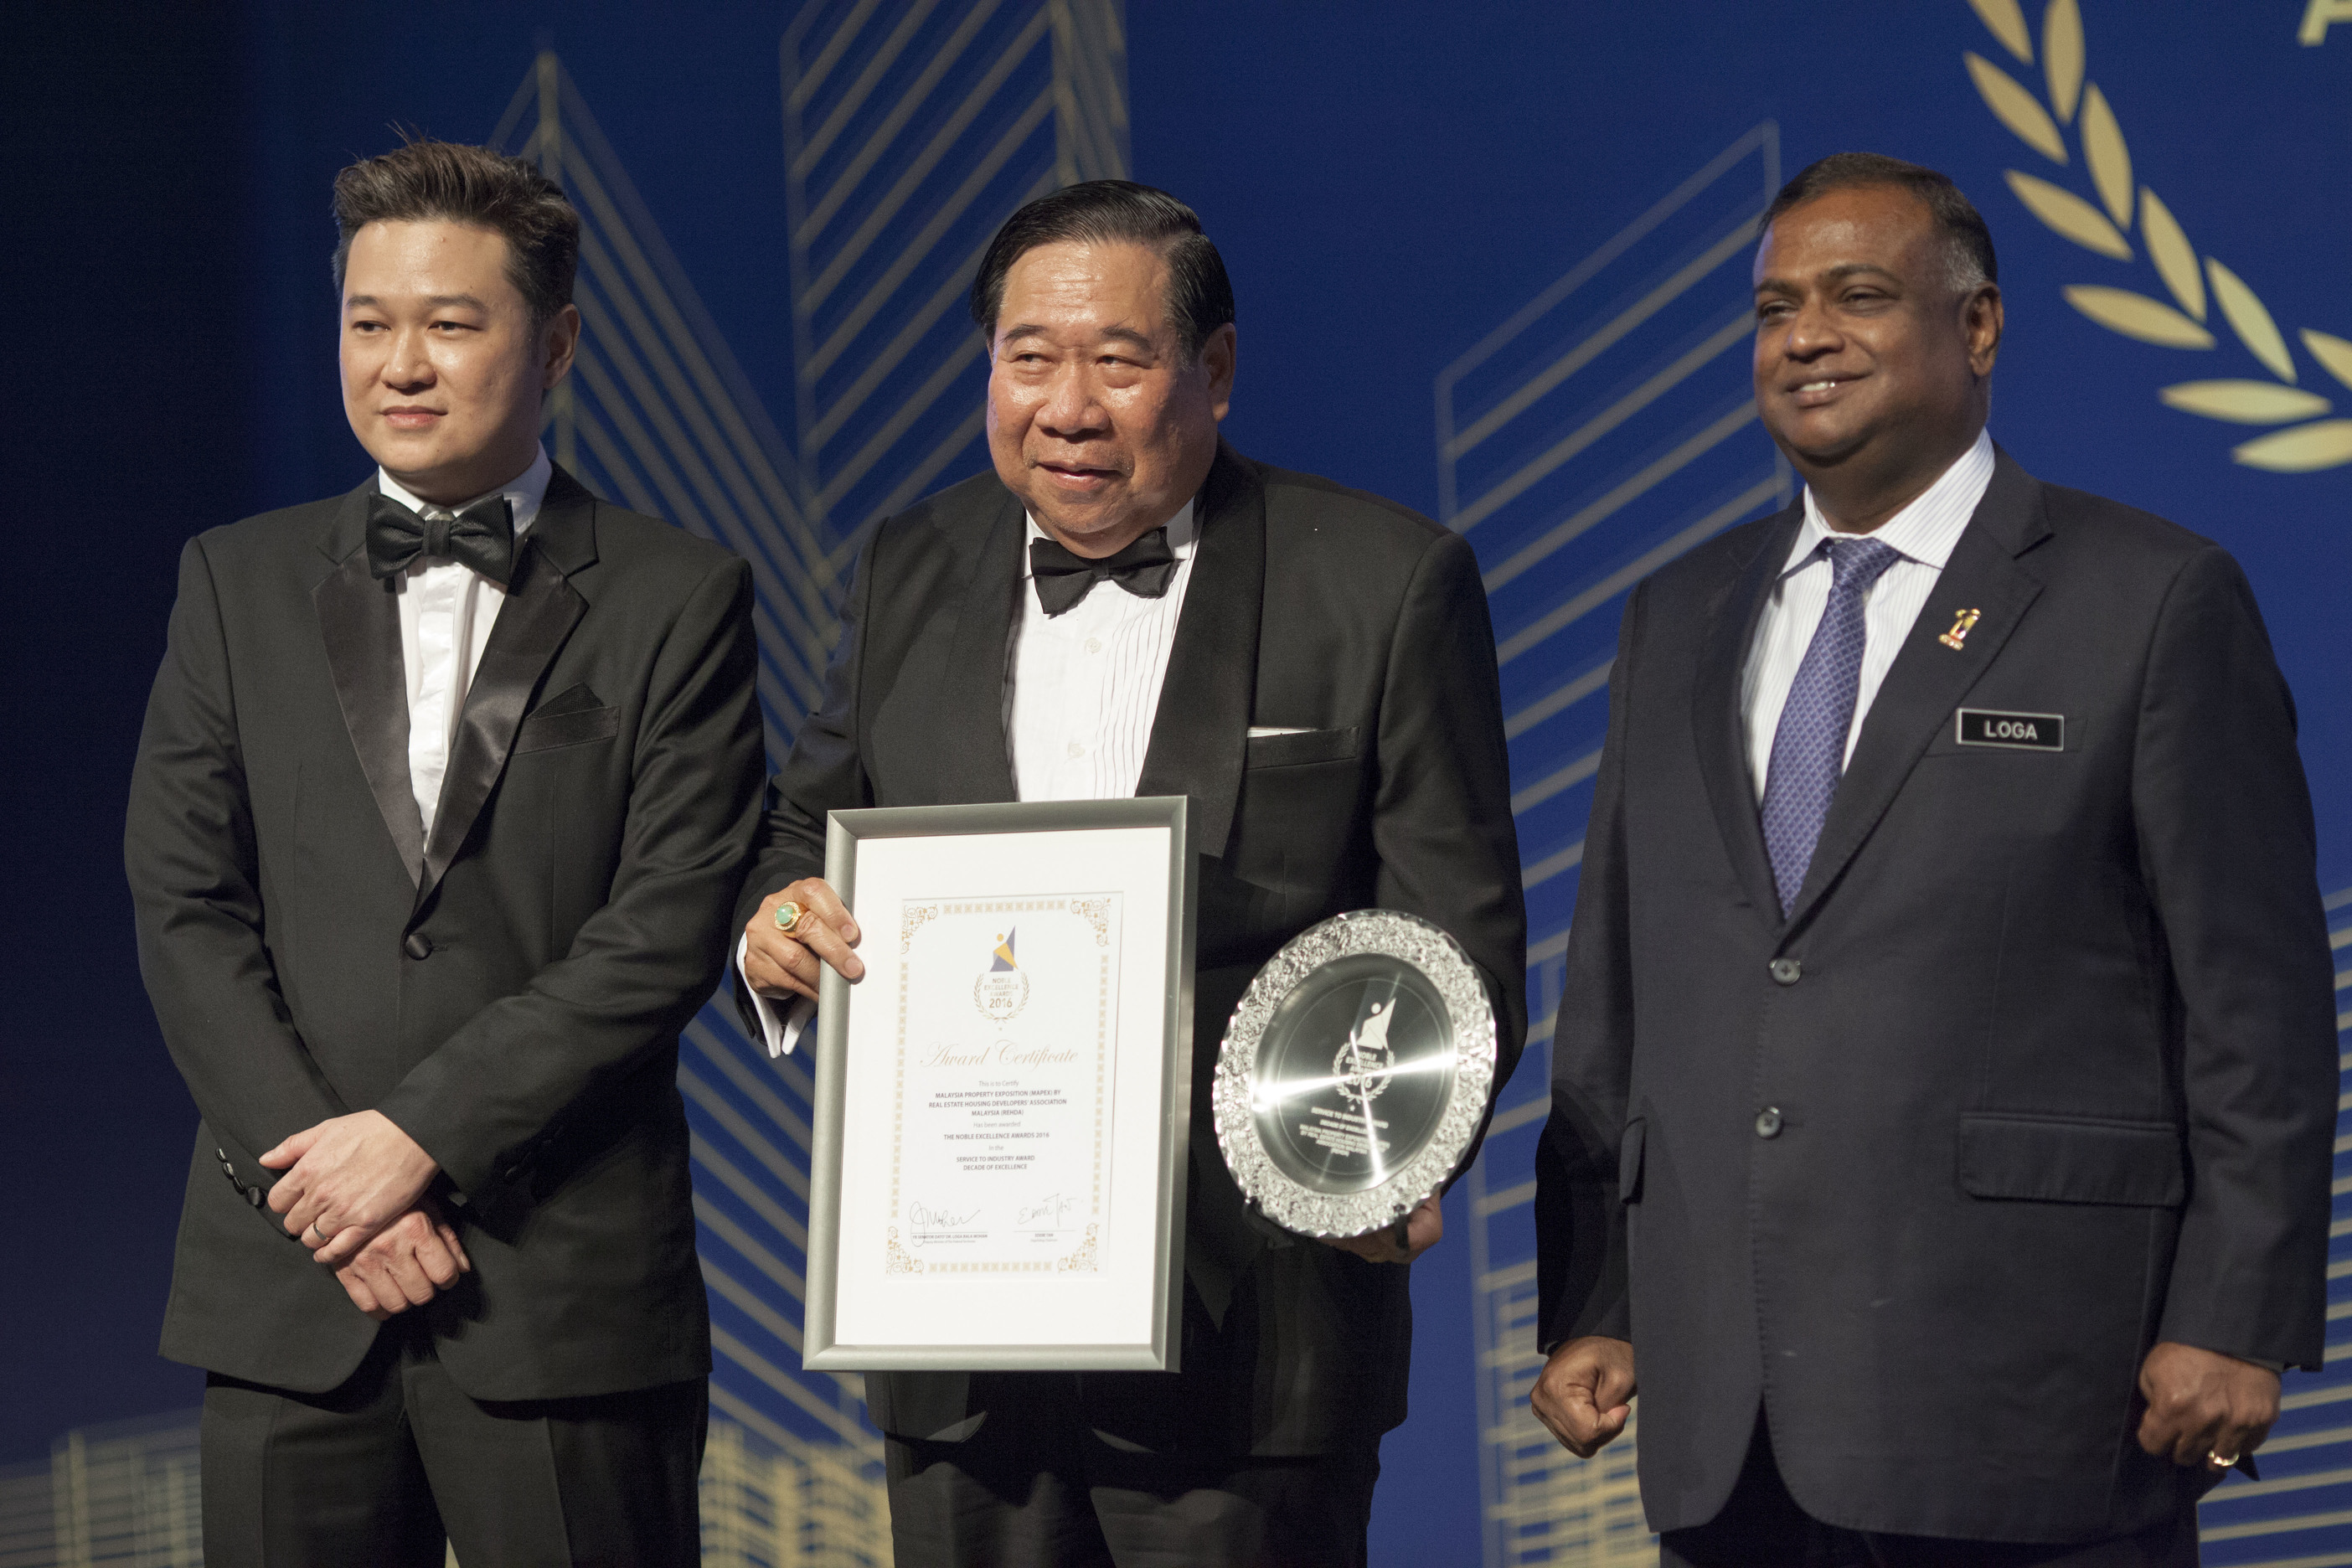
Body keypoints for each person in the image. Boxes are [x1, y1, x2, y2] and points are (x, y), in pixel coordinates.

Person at [1528, 151, 2338, 1565]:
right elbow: (1618, 991)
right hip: (1732, 1429)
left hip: (2034, 1403)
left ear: (1978, 326)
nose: (1806, 337)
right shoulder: (1677, 614)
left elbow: (2255, 1007)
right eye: (1775, 309)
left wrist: (2234, 1313)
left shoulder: (2151, 600)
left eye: (1857, 296)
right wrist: (1598, 1296)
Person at [736, 179, 1527, 1566]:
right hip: (959, 1338)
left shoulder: (1385, 579)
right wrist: (777, 922)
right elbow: (809, 823)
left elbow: (1455, 936)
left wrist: (1388, 1159)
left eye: (1117, 359)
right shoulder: (908, 563)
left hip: (1255, 1336)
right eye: (1027, 357)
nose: (1067, 407)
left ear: (1214, 370)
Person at [126, 139, 762, 1565]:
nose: (402, 365)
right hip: (290, 1288)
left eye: (452, 324)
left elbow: (665, 928)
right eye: (370, 324)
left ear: (559, 344)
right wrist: (327, 1195)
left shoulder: (679, 594)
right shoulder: (233, 579)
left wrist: (419, 1141)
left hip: (559, 1287)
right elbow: (184, 906)